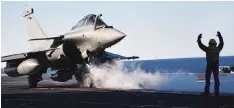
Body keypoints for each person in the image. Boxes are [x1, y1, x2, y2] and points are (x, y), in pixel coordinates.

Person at [197, 31, 224, 96]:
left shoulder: (207, 49)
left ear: (209, 43)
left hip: (209, 65)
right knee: (216, 78)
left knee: (207, 78)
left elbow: (201, 45)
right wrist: (220, 36)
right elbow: (222, 43)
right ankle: (216, 92)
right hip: (216, 64)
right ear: (215, 43)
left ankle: (207, 92)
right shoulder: (218, 49)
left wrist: (199, 39)